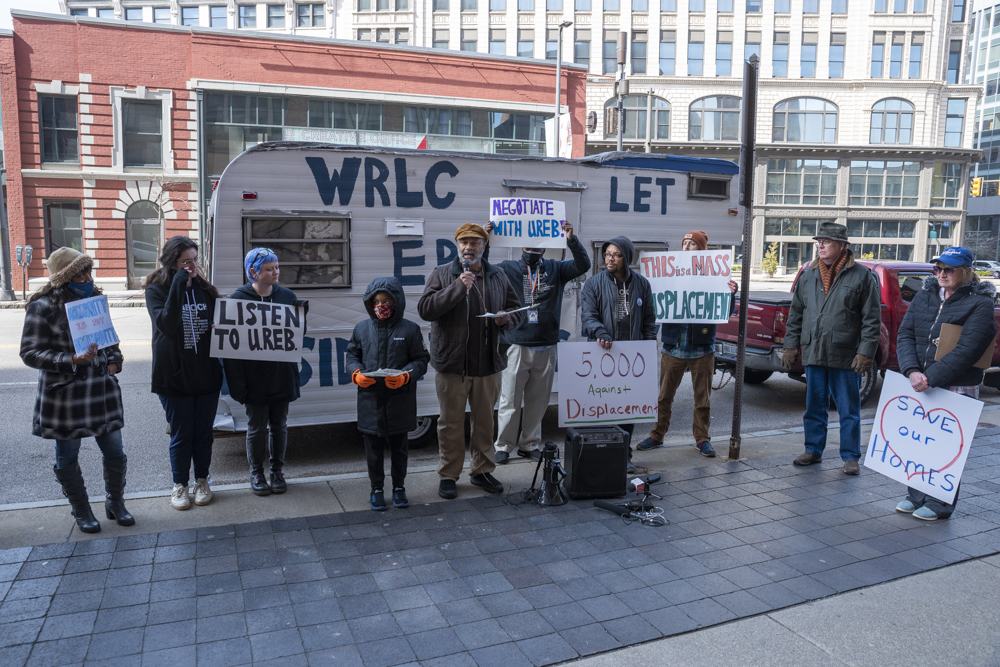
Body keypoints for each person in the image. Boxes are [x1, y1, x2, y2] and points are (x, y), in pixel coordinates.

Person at [20, 247, 132, 534]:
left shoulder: (95, 299)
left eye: (88, 270)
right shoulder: (43, 305)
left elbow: (110, 342)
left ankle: (115, 503)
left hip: (101, 390)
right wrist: (70, 360)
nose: (87, 277)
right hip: (65, 394)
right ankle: (81, 511)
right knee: (67, 455)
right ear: (64, 277)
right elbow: (30, 353)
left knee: (115, 452)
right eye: (80, 272)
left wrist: (114, 362)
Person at [417, 223, 523, 499]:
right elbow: (426, 310)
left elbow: (517, 311)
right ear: (457, 246)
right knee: (450, 423)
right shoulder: (443, 274)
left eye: (475, 242)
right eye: (464, 242)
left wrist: (507, 318)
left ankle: (482, 471)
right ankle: (449, 475)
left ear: (484, 247)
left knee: (485, 422)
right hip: (452, 365)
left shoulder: (498, 275)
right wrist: (456, 288)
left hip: (488, 363)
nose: (469, 247)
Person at [895, 246, 996, 520]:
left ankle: (940, 504)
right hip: (922, 383)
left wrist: (931, 378)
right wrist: (912, 371)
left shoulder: (980, 303)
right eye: (937, 268)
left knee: (947, 447)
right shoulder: (925, 296)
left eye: (948, 269)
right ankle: (915, 497)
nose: (941, 274)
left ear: (964, 271)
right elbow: (905, 334)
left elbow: (968, 350)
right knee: (919, 443)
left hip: (956, 385)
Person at [482, 220, 591, 464]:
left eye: (539, 245)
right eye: (530, 243)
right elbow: (484, 269)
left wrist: (571, 239)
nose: (534, 248)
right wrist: (486, 240)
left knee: (538, 400)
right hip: (516, 344)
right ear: (521, 244)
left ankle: (529, 444)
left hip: (547, 344)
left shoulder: (556, 268)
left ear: (546, 246)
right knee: (510, 399)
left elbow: (584, 265)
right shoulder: (508, 268)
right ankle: (503, 446)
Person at [782, 222, 880, 475]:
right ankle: (813, 450)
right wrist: (790, 346)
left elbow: (871, 319)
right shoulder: (808, 275)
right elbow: (796, 315)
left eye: (826, 242)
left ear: (842, 246)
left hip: (846, 354)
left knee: (849, 409)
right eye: (819, 242)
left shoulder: (861, 276)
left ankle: (850, 456)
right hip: (814, 351)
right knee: (814, 406)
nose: (821, 246)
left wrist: (866, 351)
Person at [637, 231, 738, 458]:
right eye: (684, 243)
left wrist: (730, 294)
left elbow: (724, 312)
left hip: (701, 348)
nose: (687, 247)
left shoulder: (715, 275)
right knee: (664, 396)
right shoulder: (671, 274)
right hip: (673, 345)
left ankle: (702, 439)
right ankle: (657, 435)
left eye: (692, 244)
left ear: (701, 249)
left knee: (702, 398)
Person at [145, 235, 223, 510]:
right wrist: (179, 284)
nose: (192, 267)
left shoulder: (206, 290)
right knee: (181, 434)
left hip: (206, 373)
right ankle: (180, 484)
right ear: (172, 264)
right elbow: (166, 324)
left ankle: (202, 480)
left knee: (203, 433)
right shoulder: (156, 290)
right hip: (173, 376)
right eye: (185, 262)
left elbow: (223, 323)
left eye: (195, 261)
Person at [224, 248, 307, 497]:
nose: (276, 272)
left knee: (280, 426)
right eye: (270, 269)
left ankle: (278, 471)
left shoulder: (287, 296)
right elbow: (231, 349)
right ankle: (257, 472)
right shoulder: (237, 299)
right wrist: (238, 385)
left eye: (277, 267)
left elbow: (296, 338)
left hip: (281, 376)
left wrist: (303, 319)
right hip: (254, 380)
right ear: (254, 273)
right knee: (257, 428)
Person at [346, 277, 430, 510]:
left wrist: (406, 375)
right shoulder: (362, 329)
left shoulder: (410, 329)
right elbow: (352, 356)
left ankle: (399, 488)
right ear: (370, 302)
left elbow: (422, 359)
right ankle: (376, 489)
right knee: (373, 450)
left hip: (399, 401)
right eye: (377, 301)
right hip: (370, 400)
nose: (381, 305)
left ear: (397, 302)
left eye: (387, 301)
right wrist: (355, 374)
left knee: (399, 449)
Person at [580, 235, 657, 473]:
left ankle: (624, 457)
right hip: (603, 356)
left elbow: (649, 320)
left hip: (631, 359)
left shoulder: (642, 284)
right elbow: (588, 316)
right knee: (601, 409)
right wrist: (601, 332)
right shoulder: (594, 283)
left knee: (627, 409)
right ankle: (599, 457)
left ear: (627, 258)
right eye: (607, 254)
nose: (609, 259)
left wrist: (648, 345)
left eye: (615, 254)